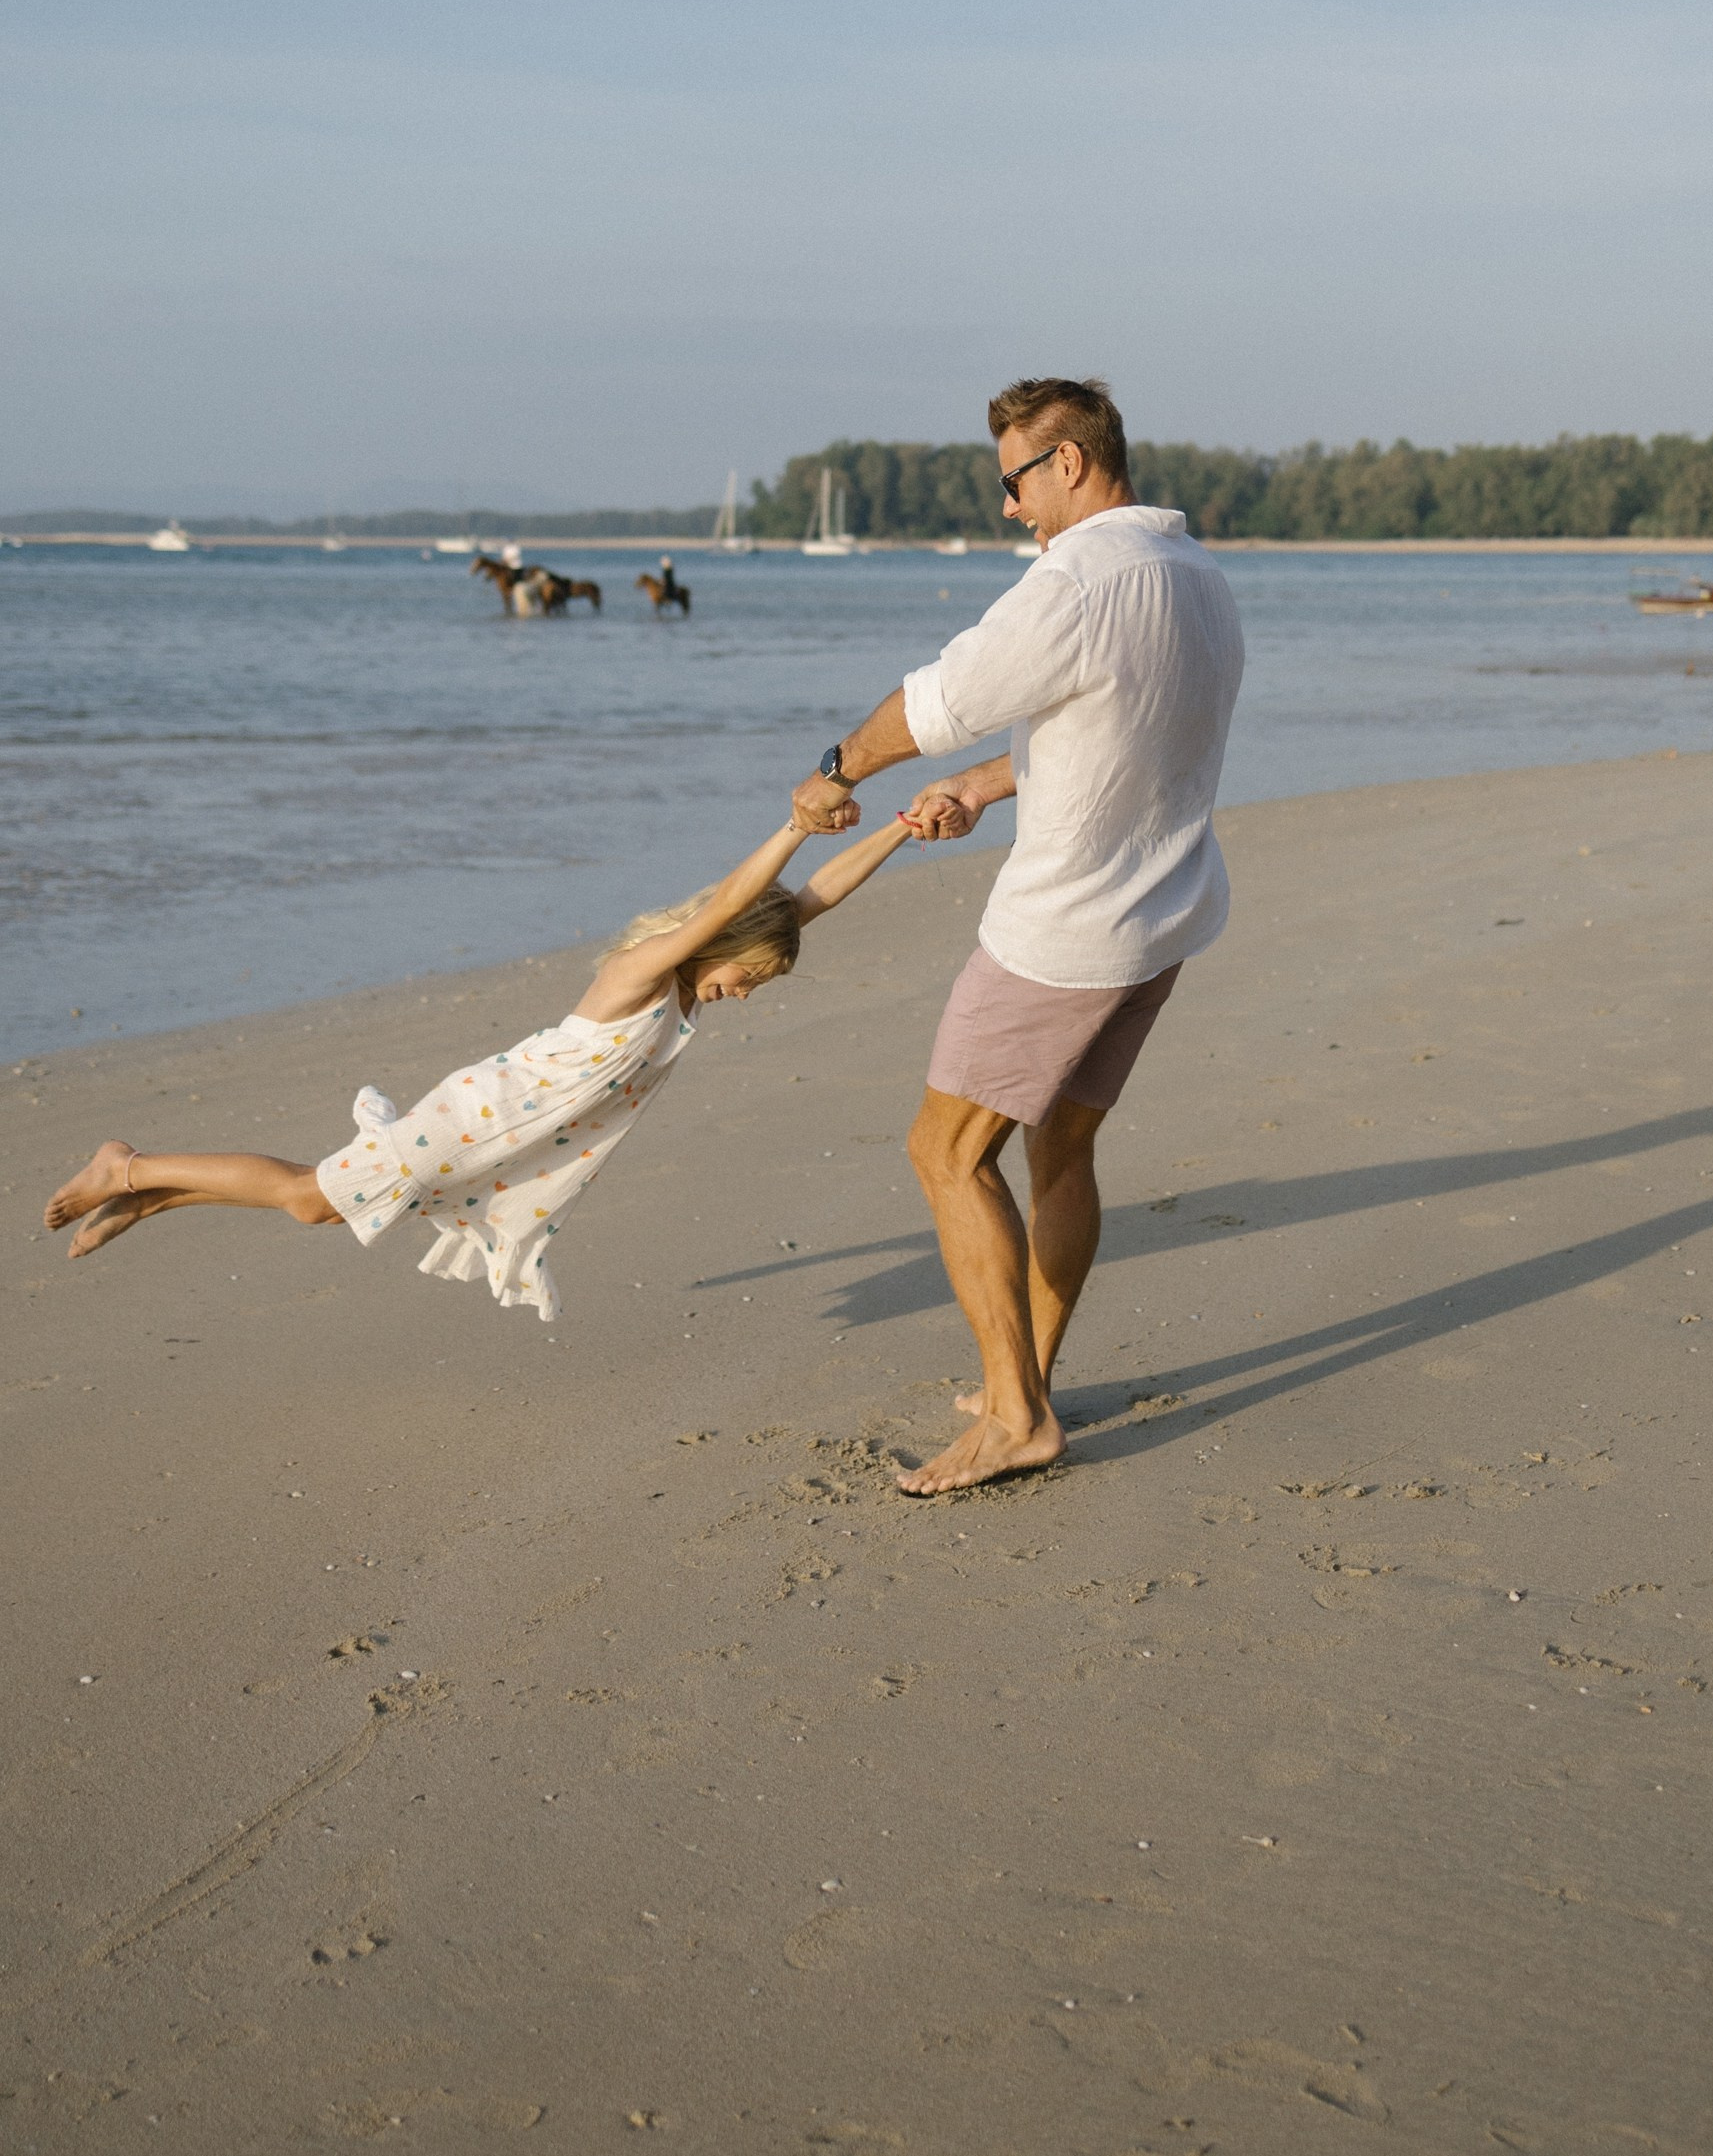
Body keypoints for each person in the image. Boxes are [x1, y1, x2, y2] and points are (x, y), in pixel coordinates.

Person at [791, 375, 1244, 1495]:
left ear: (1070, 464)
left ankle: (1014, 1417)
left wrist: (832, 770)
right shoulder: (1196, 577)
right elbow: (1120, 729)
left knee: (943, 1154)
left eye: (1013, 482)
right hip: (1161, 916)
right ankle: (1023, 1378)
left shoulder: (1075, 582)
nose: (1008, 509)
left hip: (1062, 936)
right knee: (1060, 1153)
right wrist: (993, 788)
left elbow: (936, 699)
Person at [45, 811, 913, 1320]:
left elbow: (810, 899)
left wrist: (903, 828)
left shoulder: (684, 999)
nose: (745, 995)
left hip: (492, 1142)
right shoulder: (640, 974)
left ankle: (151, 1195)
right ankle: (130, 1165)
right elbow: (740, 899)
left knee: (315, 1206)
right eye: (747, 976)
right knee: (313, 1197)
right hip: (470, 1120)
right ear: (719, 944)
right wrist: (796, 824)